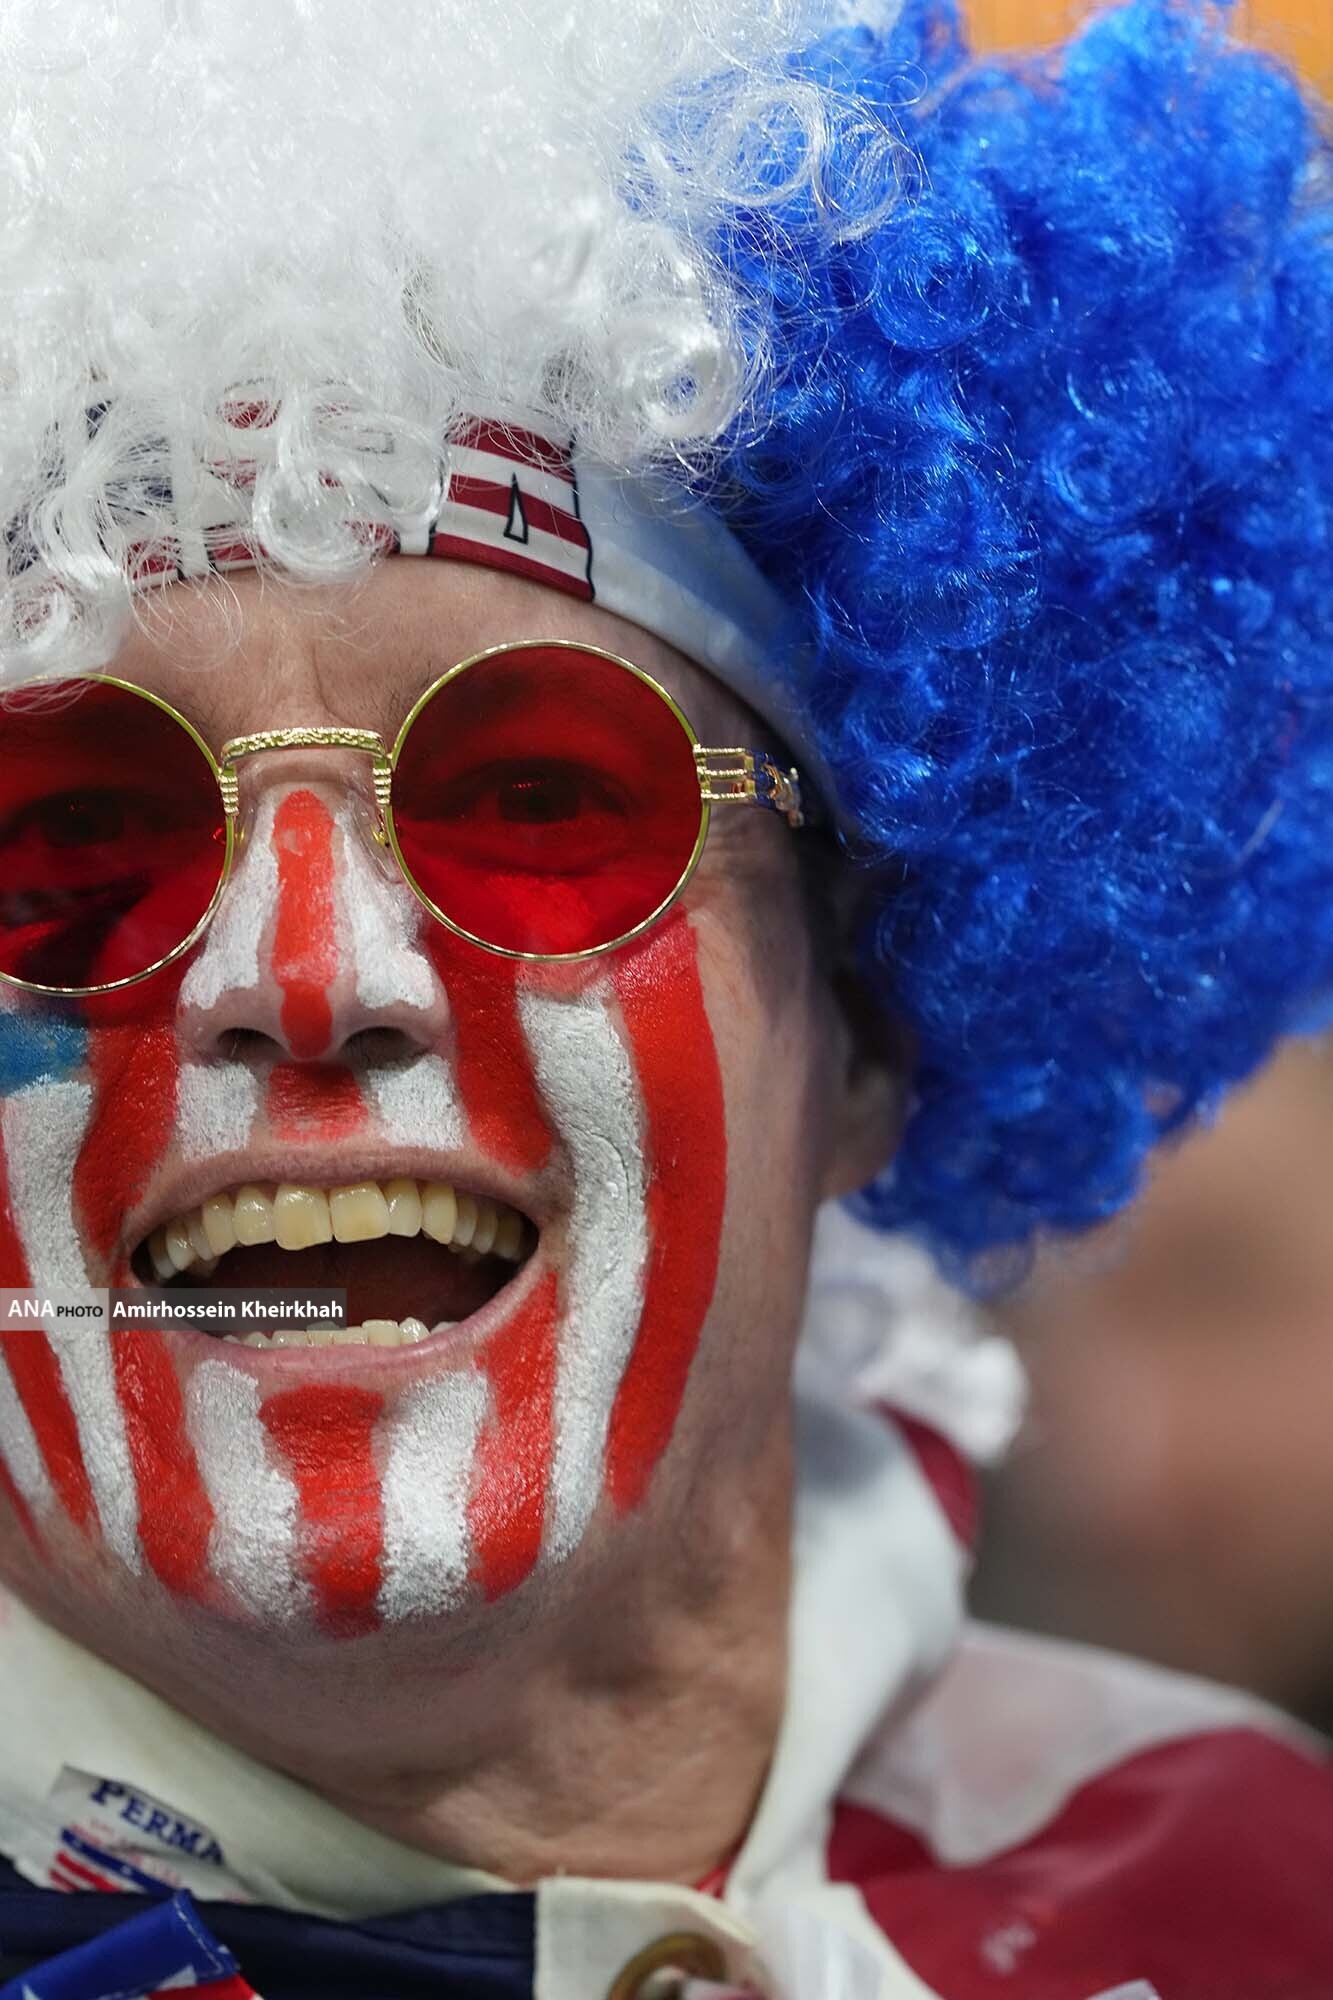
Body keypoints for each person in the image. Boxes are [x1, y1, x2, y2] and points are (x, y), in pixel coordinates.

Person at [1, 1, 1332, 1997]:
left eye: (540, 800)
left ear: (869, 1019)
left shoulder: (1251, 1892)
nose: (306, 973)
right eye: (75, 840)